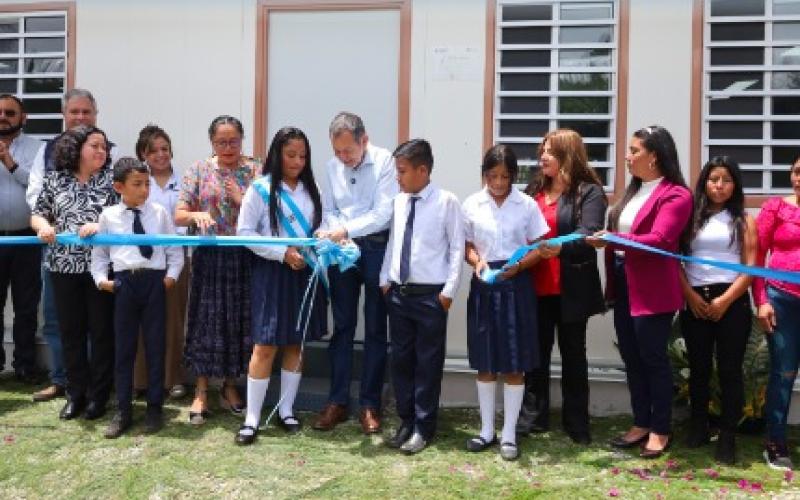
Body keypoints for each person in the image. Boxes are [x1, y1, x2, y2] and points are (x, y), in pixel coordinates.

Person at [587, 125, 692, 459]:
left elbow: (661, 241)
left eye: (634, 151)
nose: (627, 156)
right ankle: (641, 421)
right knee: (632, 357)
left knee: (653, 358)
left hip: (654, 288)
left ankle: (661, 428)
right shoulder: (633, 192)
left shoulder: (676, 194)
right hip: (624, 280)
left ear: (655, 156)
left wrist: (614, 239)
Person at [26, 88, 122, 403]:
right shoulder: (56, 179)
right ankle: (75, 394)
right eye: (95, 146)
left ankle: (98, 395)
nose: (102, 151)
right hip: (62, 266)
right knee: (70, 332)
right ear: (78, 148)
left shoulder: (111, 182)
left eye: (104, 147)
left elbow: (126, 216)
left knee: (101, 332)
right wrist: (44, 227)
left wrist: (102, 223)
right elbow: (38, 215)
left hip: (99, 268)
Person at [234, 126, 328, 445]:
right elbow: (245, 233)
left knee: (295, 344)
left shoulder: (312, 189)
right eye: (291, 155)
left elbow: (321, 226)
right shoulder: (260, 189)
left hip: (304, 272)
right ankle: (252, 419)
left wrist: (326, 241)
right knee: (265, 344)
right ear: (277, 154)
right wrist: (282, 253)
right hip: (272, 273)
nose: (297, 161)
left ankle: (287, 411)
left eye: (303, 156)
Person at [519, 129, 607, 444]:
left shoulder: (589, 192)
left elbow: (589, 232)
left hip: (571, 290)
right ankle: (533, 418)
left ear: (568, 155)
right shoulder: (533, 190)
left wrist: (559, 247)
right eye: (541, 150)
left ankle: (576, 424)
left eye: (550, 151)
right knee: (536, 356)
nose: (542, 156)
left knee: (573, 357)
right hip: (535, 287)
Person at [461, 145, 548, 461]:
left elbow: (540, 247)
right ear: (484, 174)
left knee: (514, 361)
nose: (498, 183)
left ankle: (509, 434)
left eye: (504, 177)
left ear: (514, 176)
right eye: (492, 176)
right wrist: (477, 262)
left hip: (517, 283)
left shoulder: (526, 205)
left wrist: (520, 266)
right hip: (485, 283)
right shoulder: (471, 203)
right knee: (486, 359)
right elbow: (467, 245)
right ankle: (486, 431)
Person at [313, 112, 397, 434]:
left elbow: (383, 213)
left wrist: (345, 229)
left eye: (349, 151)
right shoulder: (333, 166)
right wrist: (332, 231)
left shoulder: (384, 161)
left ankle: (370, 403)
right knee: (343, 325)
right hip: (342, 250)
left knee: (376, 327)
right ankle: (337, 401)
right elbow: (330, 209)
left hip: (375, 247)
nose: (343, 158)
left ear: (364, 139)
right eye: (338, 152)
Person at [380, 139, 464, 455]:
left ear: (423, 170)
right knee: (401, 361)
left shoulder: (446, 202)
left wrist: (447, 293)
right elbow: (394, 242)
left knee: (427, 364)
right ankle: (406, 420)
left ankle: (424, 427)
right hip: (399, 294)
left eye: (402, 172)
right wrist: (385, 280)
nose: (398, 178)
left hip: (431, 297)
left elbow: (457, 247)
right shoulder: (399, 202)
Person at [175, 115, 259, 425]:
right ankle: (200, 390)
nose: (228, 147)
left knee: (237, 323)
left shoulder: (255, 170)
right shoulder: (198, 170)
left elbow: (268, 212)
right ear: (212, 142)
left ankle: (229, 387)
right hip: (209, 256)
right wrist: (197, 215)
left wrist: (244, 199)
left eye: (233, 141)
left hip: (244, 256)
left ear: (242, 140)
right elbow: (178, 214)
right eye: (221, 142)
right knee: (205, 322)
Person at [91, 158, 184, 438]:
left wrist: (171, 278)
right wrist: (103, 282)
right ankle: (123, 410)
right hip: (124, 284)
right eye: (137, 184)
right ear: (119, 186)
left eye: (147, 184)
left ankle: (155, 407)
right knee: (125, 349)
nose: (144, 189)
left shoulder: (159, 213)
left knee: (155, 346)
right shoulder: (108, 216)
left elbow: (174, 249)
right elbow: (99, 256)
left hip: (154, 283)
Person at [678, 156, 756, 464]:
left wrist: (724, 301)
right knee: (698, 370)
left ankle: (727, 436)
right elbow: (675, 261)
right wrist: (690, 296)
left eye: (726, 180)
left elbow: (751, 268)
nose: (719, 186)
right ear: (704, 183)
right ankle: (698, 426)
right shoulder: (690, 218)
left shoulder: (744, 220)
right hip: (695, 300)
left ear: (735, 184)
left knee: (729, 371)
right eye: (713, 180)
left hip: (731, 301)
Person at [132, 125, 190, 400]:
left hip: (178, 259)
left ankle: (173, 379)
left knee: (174, 321)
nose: (160, 155)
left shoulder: (185, 181)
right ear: (143, 154)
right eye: (153, 150)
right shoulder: (139, 182)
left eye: (164, 149)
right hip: (144, 260)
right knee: (143, 321)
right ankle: (140, 380)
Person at [755, 154, 800, 471]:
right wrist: (761, 300)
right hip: (782, 300)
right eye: (797, 171)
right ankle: (775, 442)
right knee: (784, 373)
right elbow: (755, 256)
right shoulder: (776, 208)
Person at [0, 94, 43, 383]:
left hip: (26, 238)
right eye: (0, 113)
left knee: (26, 306)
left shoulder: (37, 148)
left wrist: (9, 161)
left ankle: (25, 365)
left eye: (10, 113)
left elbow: (37, 185)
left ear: (22, 118)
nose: (3, 117)